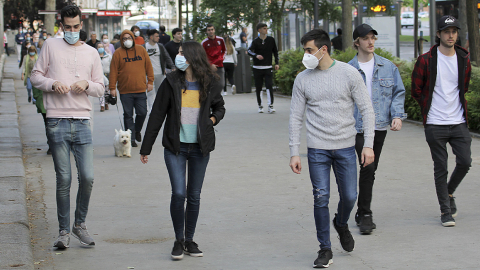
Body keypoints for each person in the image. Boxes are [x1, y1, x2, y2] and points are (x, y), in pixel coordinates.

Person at [289, 29, 375, 268]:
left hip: (346, 147)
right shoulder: (302, 79)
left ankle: (341, 222)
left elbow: (367, 110)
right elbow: (295, 118)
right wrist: (294, 151)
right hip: (317, 149)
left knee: (350, 196)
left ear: (323, 49)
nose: (305, 55)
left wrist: (367, 145)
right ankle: (324, 248)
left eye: (308, 50)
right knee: (321, 198)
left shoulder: (349, 74)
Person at [140, 41, 225, 260]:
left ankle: (189, 240)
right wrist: (146, 147)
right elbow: (157, 114)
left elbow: (220, 106)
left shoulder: (211, 82)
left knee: (194, 196)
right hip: (175, 147)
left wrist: (212, 120)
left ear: (192, 56)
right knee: (179, 193)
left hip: (200, 147)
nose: (178, 56)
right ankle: (178, 240)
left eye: (181, 53)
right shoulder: (171, 82)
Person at [30, 5, 105, 249]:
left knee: (88, 176)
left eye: (75, 27)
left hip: (82, 120)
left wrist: (87, 84)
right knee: (64, 178)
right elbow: (35, 76)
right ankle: (63, 231)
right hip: (56, 120)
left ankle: (79, 224)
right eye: (67, 27)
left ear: (81, 25)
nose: (72, 31)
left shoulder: (92, 53)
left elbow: (100, 87)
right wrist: (52, 84)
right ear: (61, 26)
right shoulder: (50, 45)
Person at [411, 15, 472, 227]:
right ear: (439, 34)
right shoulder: (426, 60)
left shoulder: (464, 58)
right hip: (435, 123)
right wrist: (430, 107)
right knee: (441, 167)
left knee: (465, 162)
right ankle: (445, 211)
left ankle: (449, 192)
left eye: (454, 31)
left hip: (458, 121)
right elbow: (416, 90)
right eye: (447, 32)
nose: (451, 35)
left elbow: (463, 86)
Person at [348, 24, 407, 234]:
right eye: (365, 38)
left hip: (380, 125)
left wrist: (397, 115)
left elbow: (398, 92)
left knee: (370, 169)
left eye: (373, 38)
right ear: (357, 42)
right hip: (356, 127)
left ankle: (361, 210)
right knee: (367, 166)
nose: (370, 42)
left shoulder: (387, 66)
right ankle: (365, 214)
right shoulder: (348, 69)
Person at [109, 29, 154, 147]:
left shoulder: (141, 50)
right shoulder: (118, 53)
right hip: (125, 90)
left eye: (129, 38)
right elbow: (113, 71)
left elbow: (149, 66)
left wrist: (150, 81)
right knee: (128, 115)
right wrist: (112, 87)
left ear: (133, 39)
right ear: (121, 40)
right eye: (124, 39)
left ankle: (136, 130)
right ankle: (131, 138)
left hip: (140, 89)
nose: (127, 41)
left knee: (142, 112)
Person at [248, 23, 279, 113]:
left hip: (268, 67)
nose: (266, 30)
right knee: (259, 87)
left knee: (269, 86)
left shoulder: (271, 40)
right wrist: (256, 55)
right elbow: (249, 50)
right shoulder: (255, 41)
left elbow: (275, 52)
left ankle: (270, 105)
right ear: (259, 30)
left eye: (266, 28)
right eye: (264, 28)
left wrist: (277, 63)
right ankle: (260, 105)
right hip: (257, 67)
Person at [143, 29, 174, 112]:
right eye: (156, 36)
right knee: (150, 92)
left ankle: (159, 109)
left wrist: (172, 67)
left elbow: (167, 57)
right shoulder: (144, 47)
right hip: (148, 74)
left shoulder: (160, 46)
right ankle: (151, 110)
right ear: (151, 37)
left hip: (159, 73)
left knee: (160, 92)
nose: (158, 38)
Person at [201, 24, 226, 94]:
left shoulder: (221, 40)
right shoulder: (204, 43)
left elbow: (225, 51)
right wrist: (210, 65)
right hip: (209, 67)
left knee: (221, 84)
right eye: (209, 30)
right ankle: (212, 99)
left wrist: (221, 59)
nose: (210, 31)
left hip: (220, 66)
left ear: (214, 30)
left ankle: (215, 97)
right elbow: (202, 56)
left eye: (212, 29)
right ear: (207, 31)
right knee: (211, 85)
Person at [97, 42, 112, 112]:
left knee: (106, 91)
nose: (100, 48)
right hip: (99, 75)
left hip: (107, 74)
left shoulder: (108, 56)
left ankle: (106, 103)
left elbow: (112, 65)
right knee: (100, 91)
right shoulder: (95, 56)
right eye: (99, 47)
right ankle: (102, 105)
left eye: (101, 46)